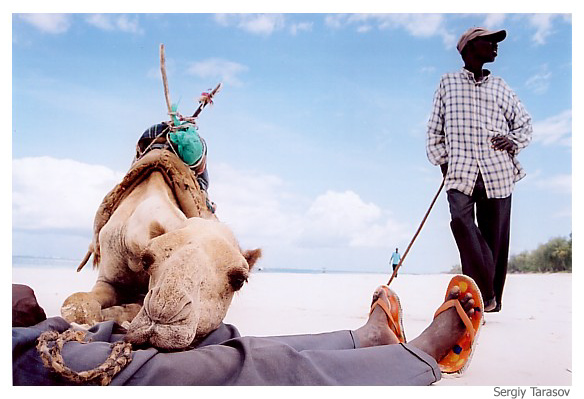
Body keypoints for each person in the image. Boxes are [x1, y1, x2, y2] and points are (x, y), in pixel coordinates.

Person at [13, 281, 479, 386]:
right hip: (22, 363)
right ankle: (419, 359)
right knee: (222, 370)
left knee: (218, 341)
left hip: (31, 338)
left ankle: (365, 341)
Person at [426, 27, 532, 312]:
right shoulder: (447, 83)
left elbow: (524, 123)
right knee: (461, 222)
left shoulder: (500, 86)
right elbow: (435, 132)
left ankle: (489, 299)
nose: (496, 47)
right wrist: (445, 164)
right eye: (490, 42)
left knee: (495, 236)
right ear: (470, 47)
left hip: (498, 172)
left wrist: (512, 141)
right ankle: (484, 292)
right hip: (460, 170)